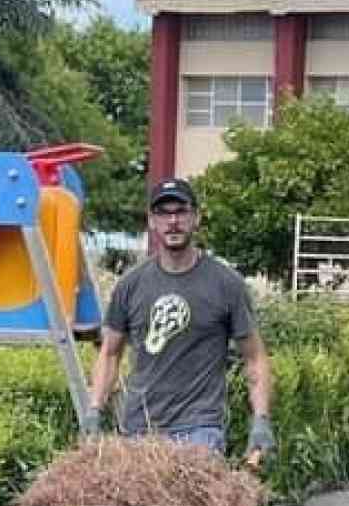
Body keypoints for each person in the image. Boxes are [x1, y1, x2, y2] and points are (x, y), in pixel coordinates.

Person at [90, 177, 275, 463]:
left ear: (196, 218)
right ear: (152, 221)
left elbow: (254, 357)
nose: (173, 221)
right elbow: (110, 353)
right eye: (164, 213)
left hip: (200, 430)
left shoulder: (226, 284)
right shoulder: (131, 285)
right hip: (140, 427)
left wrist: (261, 419)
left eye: (181, 211)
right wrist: (94, 409)